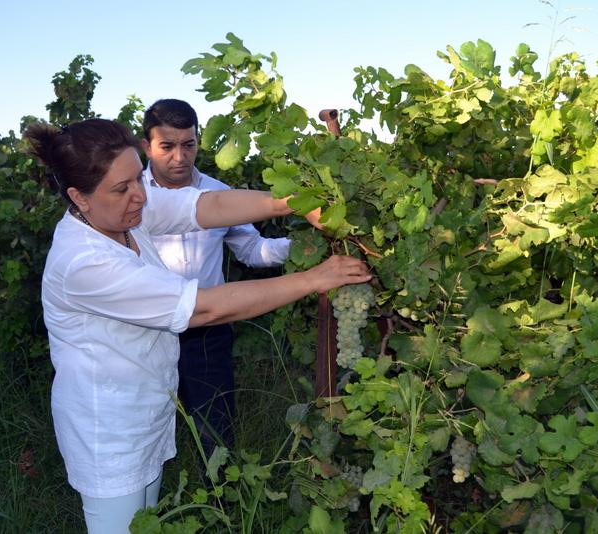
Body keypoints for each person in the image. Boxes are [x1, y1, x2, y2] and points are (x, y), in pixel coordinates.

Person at [24, 118, 370, 533]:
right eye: (122, 189)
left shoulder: (124, 216)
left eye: (137, 178)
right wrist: (314, 279)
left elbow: (206, 207)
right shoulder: (84, 262)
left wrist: (295, 202)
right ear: (79, 197)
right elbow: (203, 309)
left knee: (146, 525)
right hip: (109, 434)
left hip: (146, 412)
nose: (139, 195)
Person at [141, 98, 289, 454]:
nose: (180, 157)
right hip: (146, 329)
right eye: (167, 147)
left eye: (188, 145)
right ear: (146, 146)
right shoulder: (131, 196)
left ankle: (221, 496)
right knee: (144, 426)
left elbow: (252, 250)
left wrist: (299, 247)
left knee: (216, 428)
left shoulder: (220, 194)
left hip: (208, 330)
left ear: (198, 143)